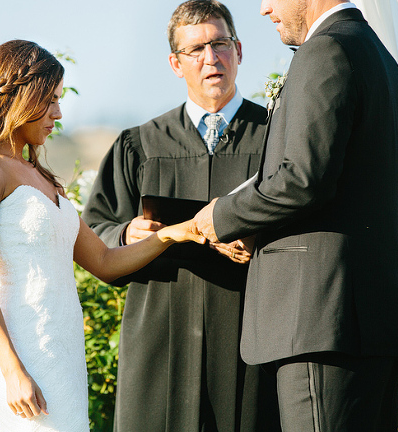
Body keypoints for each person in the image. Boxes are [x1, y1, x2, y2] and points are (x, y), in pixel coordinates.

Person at [0, 40, 200, 431]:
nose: (58, 113)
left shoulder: (40, 176)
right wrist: (12, 370)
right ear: (21, 95)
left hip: (65, 353)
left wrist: (178, 233)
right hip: (24, 354)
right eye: (51, 100)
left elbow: (106, 263)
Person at [188, 0, 398, 429]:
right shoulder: (382, 59)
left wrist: (221, 216)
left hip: (321, 320)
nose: (263, 8)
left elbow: (302, 179)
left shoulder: (325, 50)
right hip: (370, 321)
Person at [80, 1, 277, 430]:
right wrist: (126, 232)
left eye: (220, 44)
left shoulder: (276, 136)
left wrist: (258, 240)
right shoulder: (141, 145)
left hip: (249, 336)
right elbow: (96, 228)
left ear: (239, 51)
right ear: (175, 63)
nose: (211, 58)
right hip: (160, 337)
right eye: (195, 49)